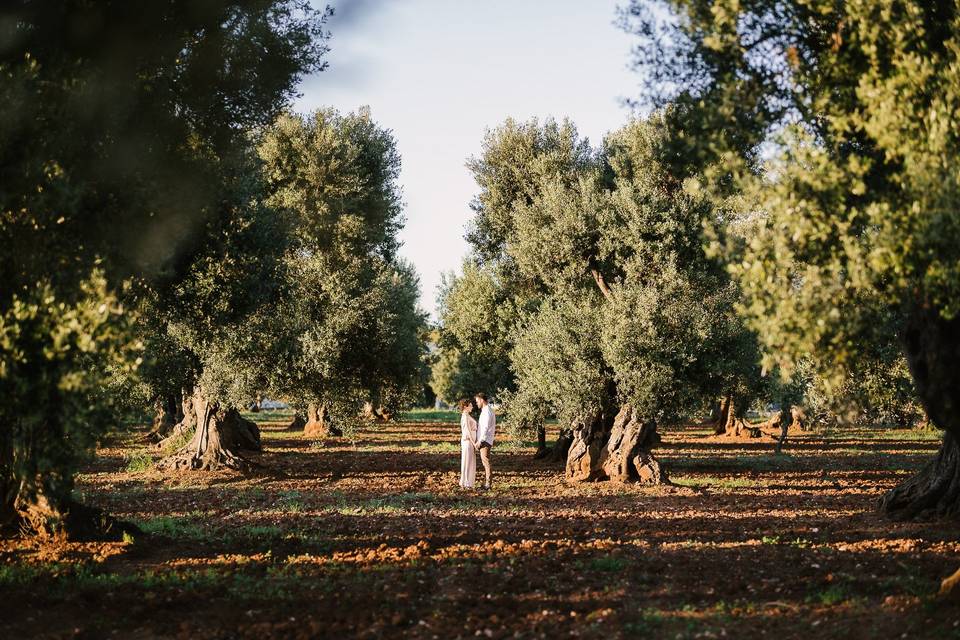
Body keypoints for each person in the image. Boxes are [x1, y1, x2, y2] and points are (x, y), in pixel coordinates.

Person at [474, 392, 496, 489]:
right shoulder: (486, 410)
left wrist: (480, 441)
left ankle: (488, 484)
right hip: (485, 440)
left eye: (477, 401)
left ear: (482, 400)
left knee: (486, 462)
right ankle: (487, 483)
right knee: (485, 462)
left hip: (485, 441)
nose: (476, 403)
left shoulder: (487, 411)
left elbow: (486, 428)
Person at [458, 398, 477, 489]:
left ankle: (467, 482)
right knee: (467, 462)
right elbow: (468, 431)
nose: (472, 407)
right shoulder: (465, 416)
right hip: (468, 442)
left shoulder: (467, 415)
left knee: (469, 461)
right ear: (465, 407)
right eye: (470, 405)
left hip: (470, 442)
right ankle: (466, 482)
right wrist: (474, 443)